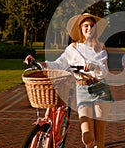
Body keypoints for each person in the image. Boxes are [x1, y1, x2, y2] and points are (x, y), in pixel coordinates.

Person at [24, 13, 113, 148]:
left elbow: (104, 71)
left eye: (92, 26)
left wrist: (94, 67)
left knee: (99, 135)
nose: (89, 28)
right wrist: (39, 63)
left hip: (100, 89)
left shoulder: (100, 46)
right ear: (80, 29)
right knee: (87, 136)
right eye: (86, 26)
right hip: (82, 90)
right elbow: (59, 64)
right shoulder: (72, 48)